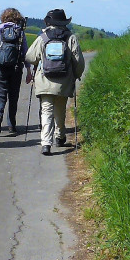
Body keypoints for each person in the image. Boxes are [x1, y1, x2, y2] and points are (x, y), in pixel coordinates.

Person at [25, 8, 85, 155]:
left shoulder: (43, 37)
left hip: (45, 80)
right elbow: (78, 61)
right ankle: (60, 136)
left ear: (49, 22)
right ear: (64, 22)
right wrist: (76, 75)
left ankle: (46, 143)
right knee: (60, 110)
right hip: (64, 80)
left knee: (46, 111)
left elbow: (30, 57)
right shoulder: (71, 38)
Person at [0, 7, 32, 135]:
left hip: (1, 67)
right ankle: (12, 125)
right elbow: (25, 52)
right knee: (13, 97)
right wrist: (28, 69)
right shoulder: (20, 31)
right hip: (16, 68)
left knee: (1, 95)